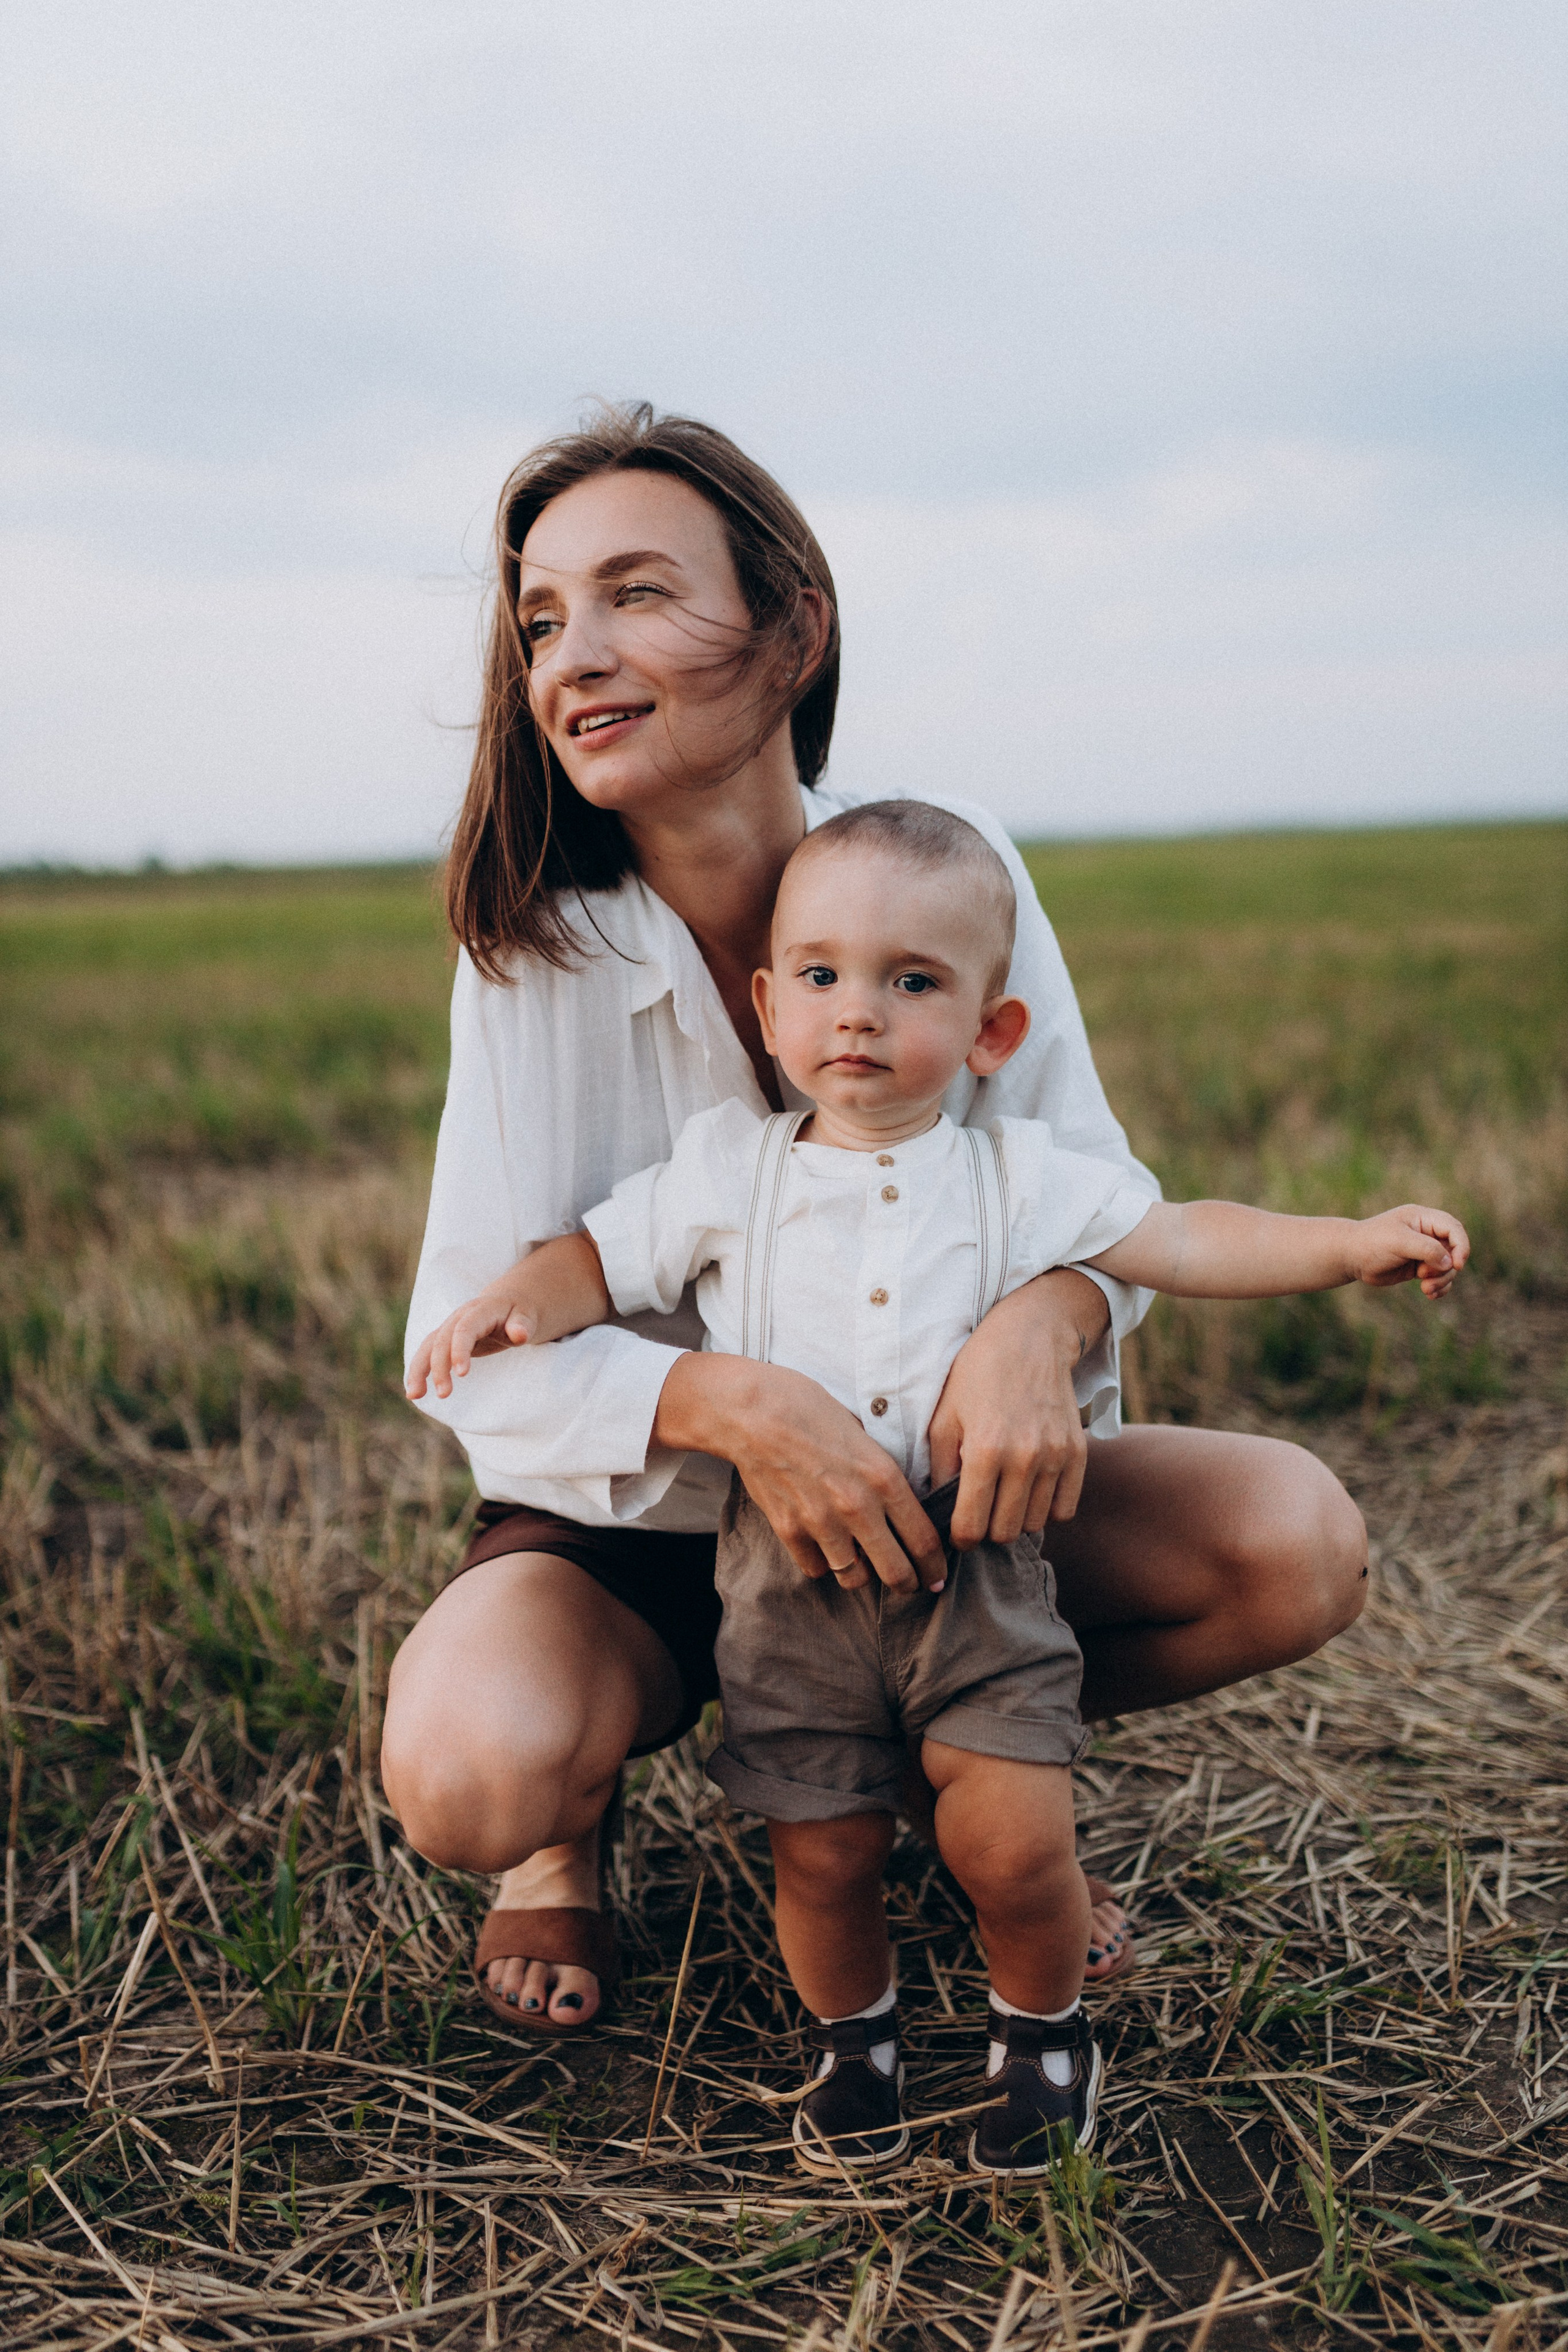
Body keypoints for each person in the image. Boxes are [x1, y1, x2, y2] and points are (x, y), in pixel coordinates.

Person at [380, 402, 1371, 2059]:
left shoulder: (944, 879)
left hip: (935, 1534)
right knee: (472, 1774)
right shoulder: (529, 955)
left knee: (1296, 1542)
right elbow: (471, 1357)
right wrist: (731, 1408)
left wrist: (1040, 1330)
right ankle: (575, 1831)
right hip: (643, 1540)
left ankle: (961, 1769)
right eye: (543, 617)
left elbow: (1094, 1199)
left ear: (792, 633)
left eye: (637, 594)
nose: (575, 653)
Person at [405, 798, 1465, 2175]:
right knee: (823, 1858)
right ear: (769, 1009)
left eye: (910, 984)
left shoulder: (1014, 1175)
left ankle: (1040, 2033)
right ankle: (858, 2047)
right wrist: (509, 1306)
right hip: (782, 1594)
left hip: (975, 1567)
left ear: (987, 1035)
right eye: (825, 979)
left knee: (1019, 1844)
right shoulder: (726, 1174)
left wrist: (1348, 1243)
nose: (858, 1013)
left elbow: (1179, 1235)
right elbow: (596, 1264)